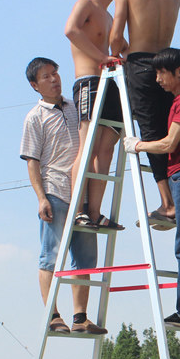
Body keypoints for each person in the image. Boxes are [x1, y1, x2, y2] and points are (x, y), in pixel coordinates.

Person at [123, 48, 180, 327]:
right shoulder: (179, 101)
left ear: (179, 72)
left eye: (162, 72)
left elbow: (170, 143)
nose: (158, 78)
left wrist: (138, 145)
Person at [20, 57, 106, 335]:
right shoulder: (35, 117)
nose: (54, 79)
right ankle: (53, 315)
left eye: (55, 73)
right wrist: (41, 198)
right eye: (46, 76)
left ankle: (81, 317)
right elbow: (32, 161)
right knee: (51, 256)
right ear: (34, 85)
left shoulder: (74, 106)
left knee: (85, 258)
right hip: (55, 191)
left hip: (82, 193)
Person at [109, 0, 180, 227]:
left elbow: (115, 38)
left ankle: (168, 203)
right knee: (171, 131)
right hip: (169, 63)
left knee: (150, 132)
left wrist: (122, 51)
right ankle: (177, 197)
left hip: (140, 64)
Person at [64, 0, 126, 231]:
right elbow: (71, 30)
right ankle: (78, 209)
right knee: (88, 146)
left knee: (106, 149)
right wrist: (102, 57)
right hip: (89, 80)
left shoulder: (110, 16)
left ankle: (95, 211)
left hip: (110, 82)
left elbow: (121, 46)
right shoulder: (85, 4)